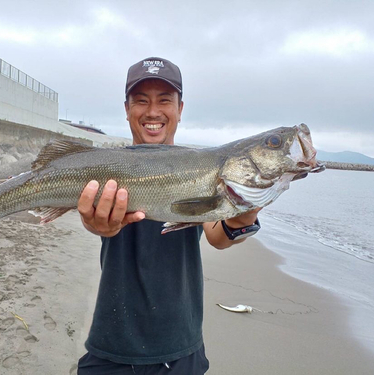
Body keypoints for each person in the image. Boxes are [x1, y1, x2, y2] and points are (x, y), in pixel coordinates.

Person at [76, 57, 260, 374]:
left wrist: (242, 218)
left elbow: (217, 235)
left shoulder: (199, 168)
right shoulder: (106, 166)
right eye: (141, 101)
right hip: (110, 345)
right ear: (126, 108)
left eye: (164, 100)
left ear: (180, 109)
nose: (153, 112)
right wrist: (95, 224)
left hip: (179, 349)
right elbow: (95, 223)